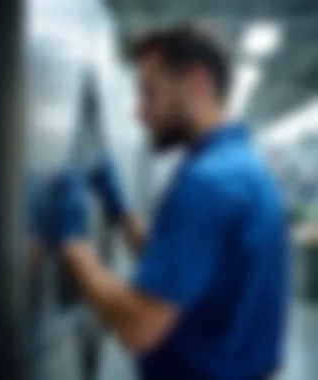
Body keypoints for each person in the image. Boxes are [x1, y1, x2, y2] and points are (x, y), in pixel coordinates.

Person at [50, 24, 290, 380]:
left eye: (149, 93)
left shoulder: (207, 183)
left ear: (197, 83)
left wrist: (73, 245)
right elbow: (184, 270)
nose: (139, 113)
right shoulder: (242, 167)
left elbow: (138, 327)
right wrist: (121, 212)